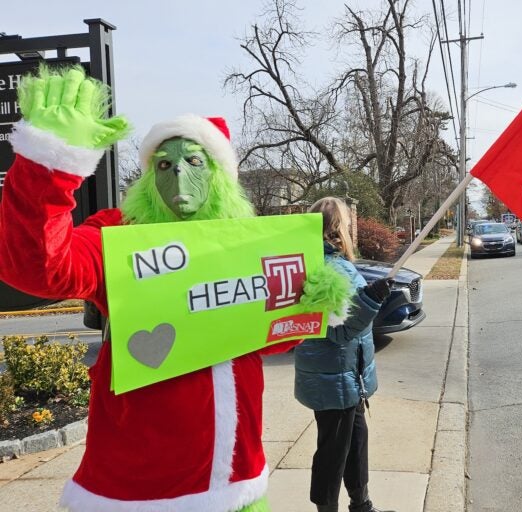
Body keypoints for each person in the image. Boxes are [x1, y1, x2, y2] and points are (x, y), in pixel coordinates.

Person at [0, 66, 339, 512]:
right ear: (148, 178)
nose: (178, 174)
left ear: (218, 174)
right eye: (164, 164)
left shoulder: (249, 242)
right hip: (139, 490)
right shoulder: (118, 235)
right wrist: (50, 167)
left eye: (194, 161)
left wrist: (309, 300)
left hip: (240, 479)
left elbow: (265, 338)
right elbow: (38, 266)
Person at [293, 197, 396, 512]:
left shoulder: (325, 263)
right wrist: (371, 298)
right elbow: (338, 332)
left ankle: (361, 504)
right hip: (333, 381)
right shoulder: (328, 269)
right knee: (332, 454)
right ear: (337, 227)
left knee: (355, 446)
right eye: (348, 223)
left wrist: (368, 296)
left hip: (347, 379)